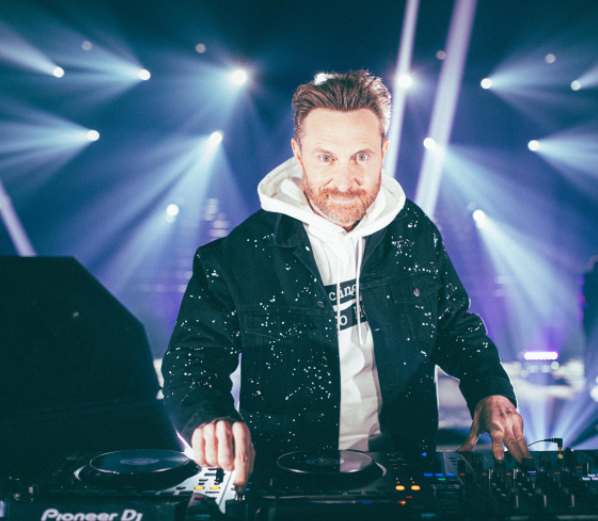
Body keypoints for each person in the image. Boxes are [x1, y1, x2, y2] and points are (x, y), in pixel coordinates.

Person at [161, 70, 531, 487]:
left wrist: (490, 390)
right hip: (284, 475)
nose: (344, 181)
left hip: (403, 467)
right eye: (326, 158)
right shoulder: (239, 254)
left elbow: (454, 327)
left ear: (383, 151)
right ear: (298, 153)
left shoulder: (414, 233)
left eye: (361, 157)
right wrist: (208, 417)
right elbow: (193, 359)